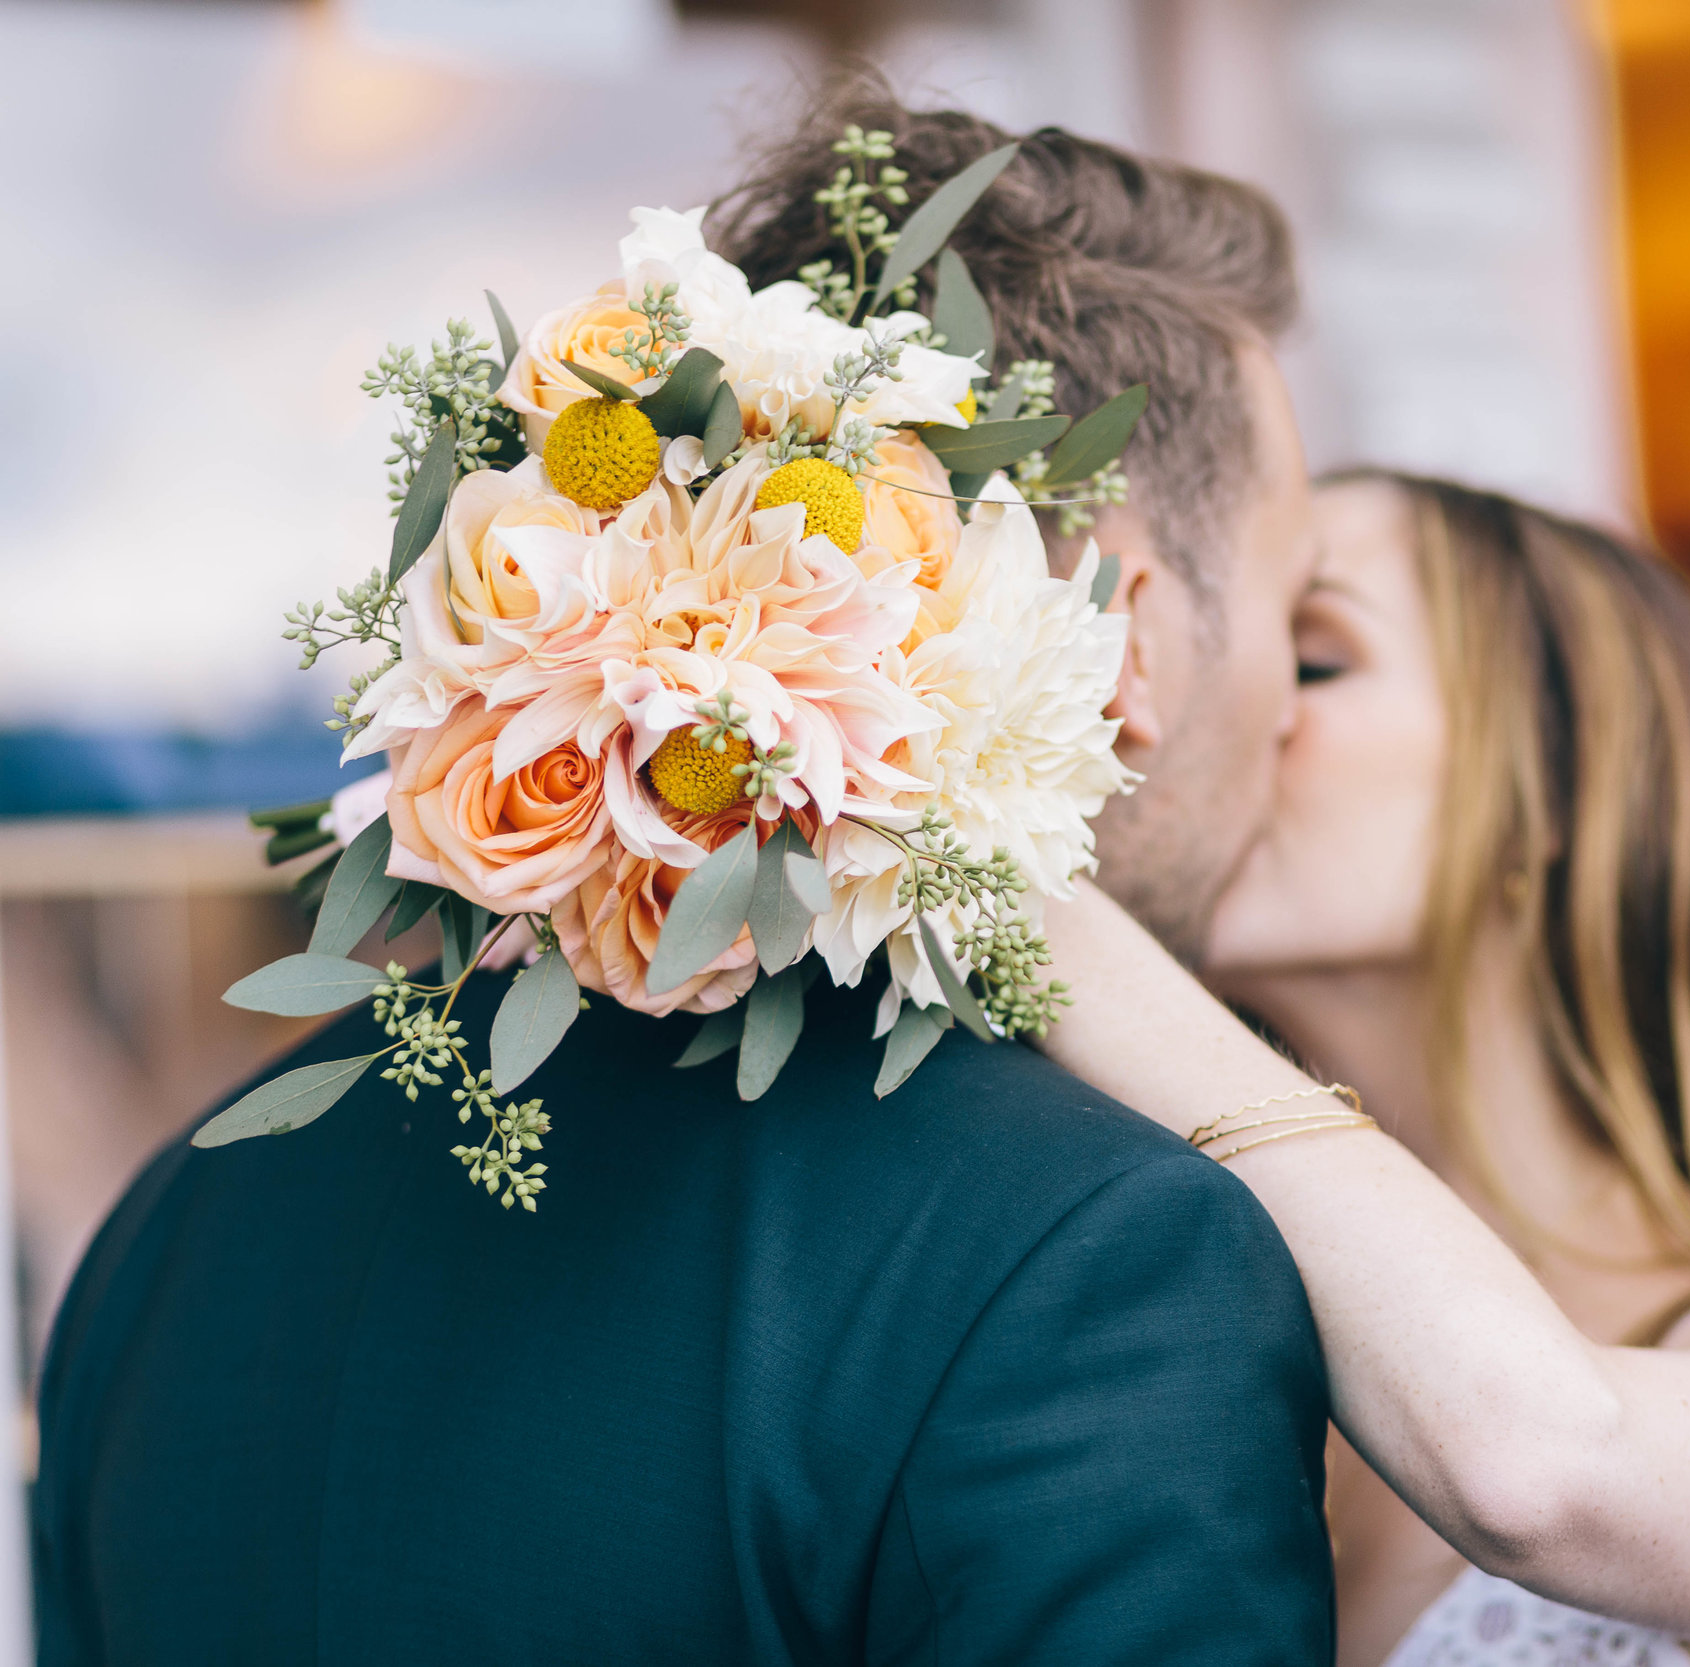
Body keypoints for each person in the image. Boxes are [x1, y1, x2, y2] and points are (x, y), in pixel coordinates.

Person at [33, 86, 1337, 1664]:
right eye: (1300, 611)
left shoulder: (186, 1211)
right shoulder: (1101, 1257)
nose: (1293, 712)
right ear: (1119, 629)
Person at [1034, 473, 1690, 1666]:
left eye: (1313, 657)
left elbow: (1538, 1466)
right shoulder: (1188, 1366)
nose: (1227, 708)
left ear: (1552, 785)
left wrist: (988, 857)